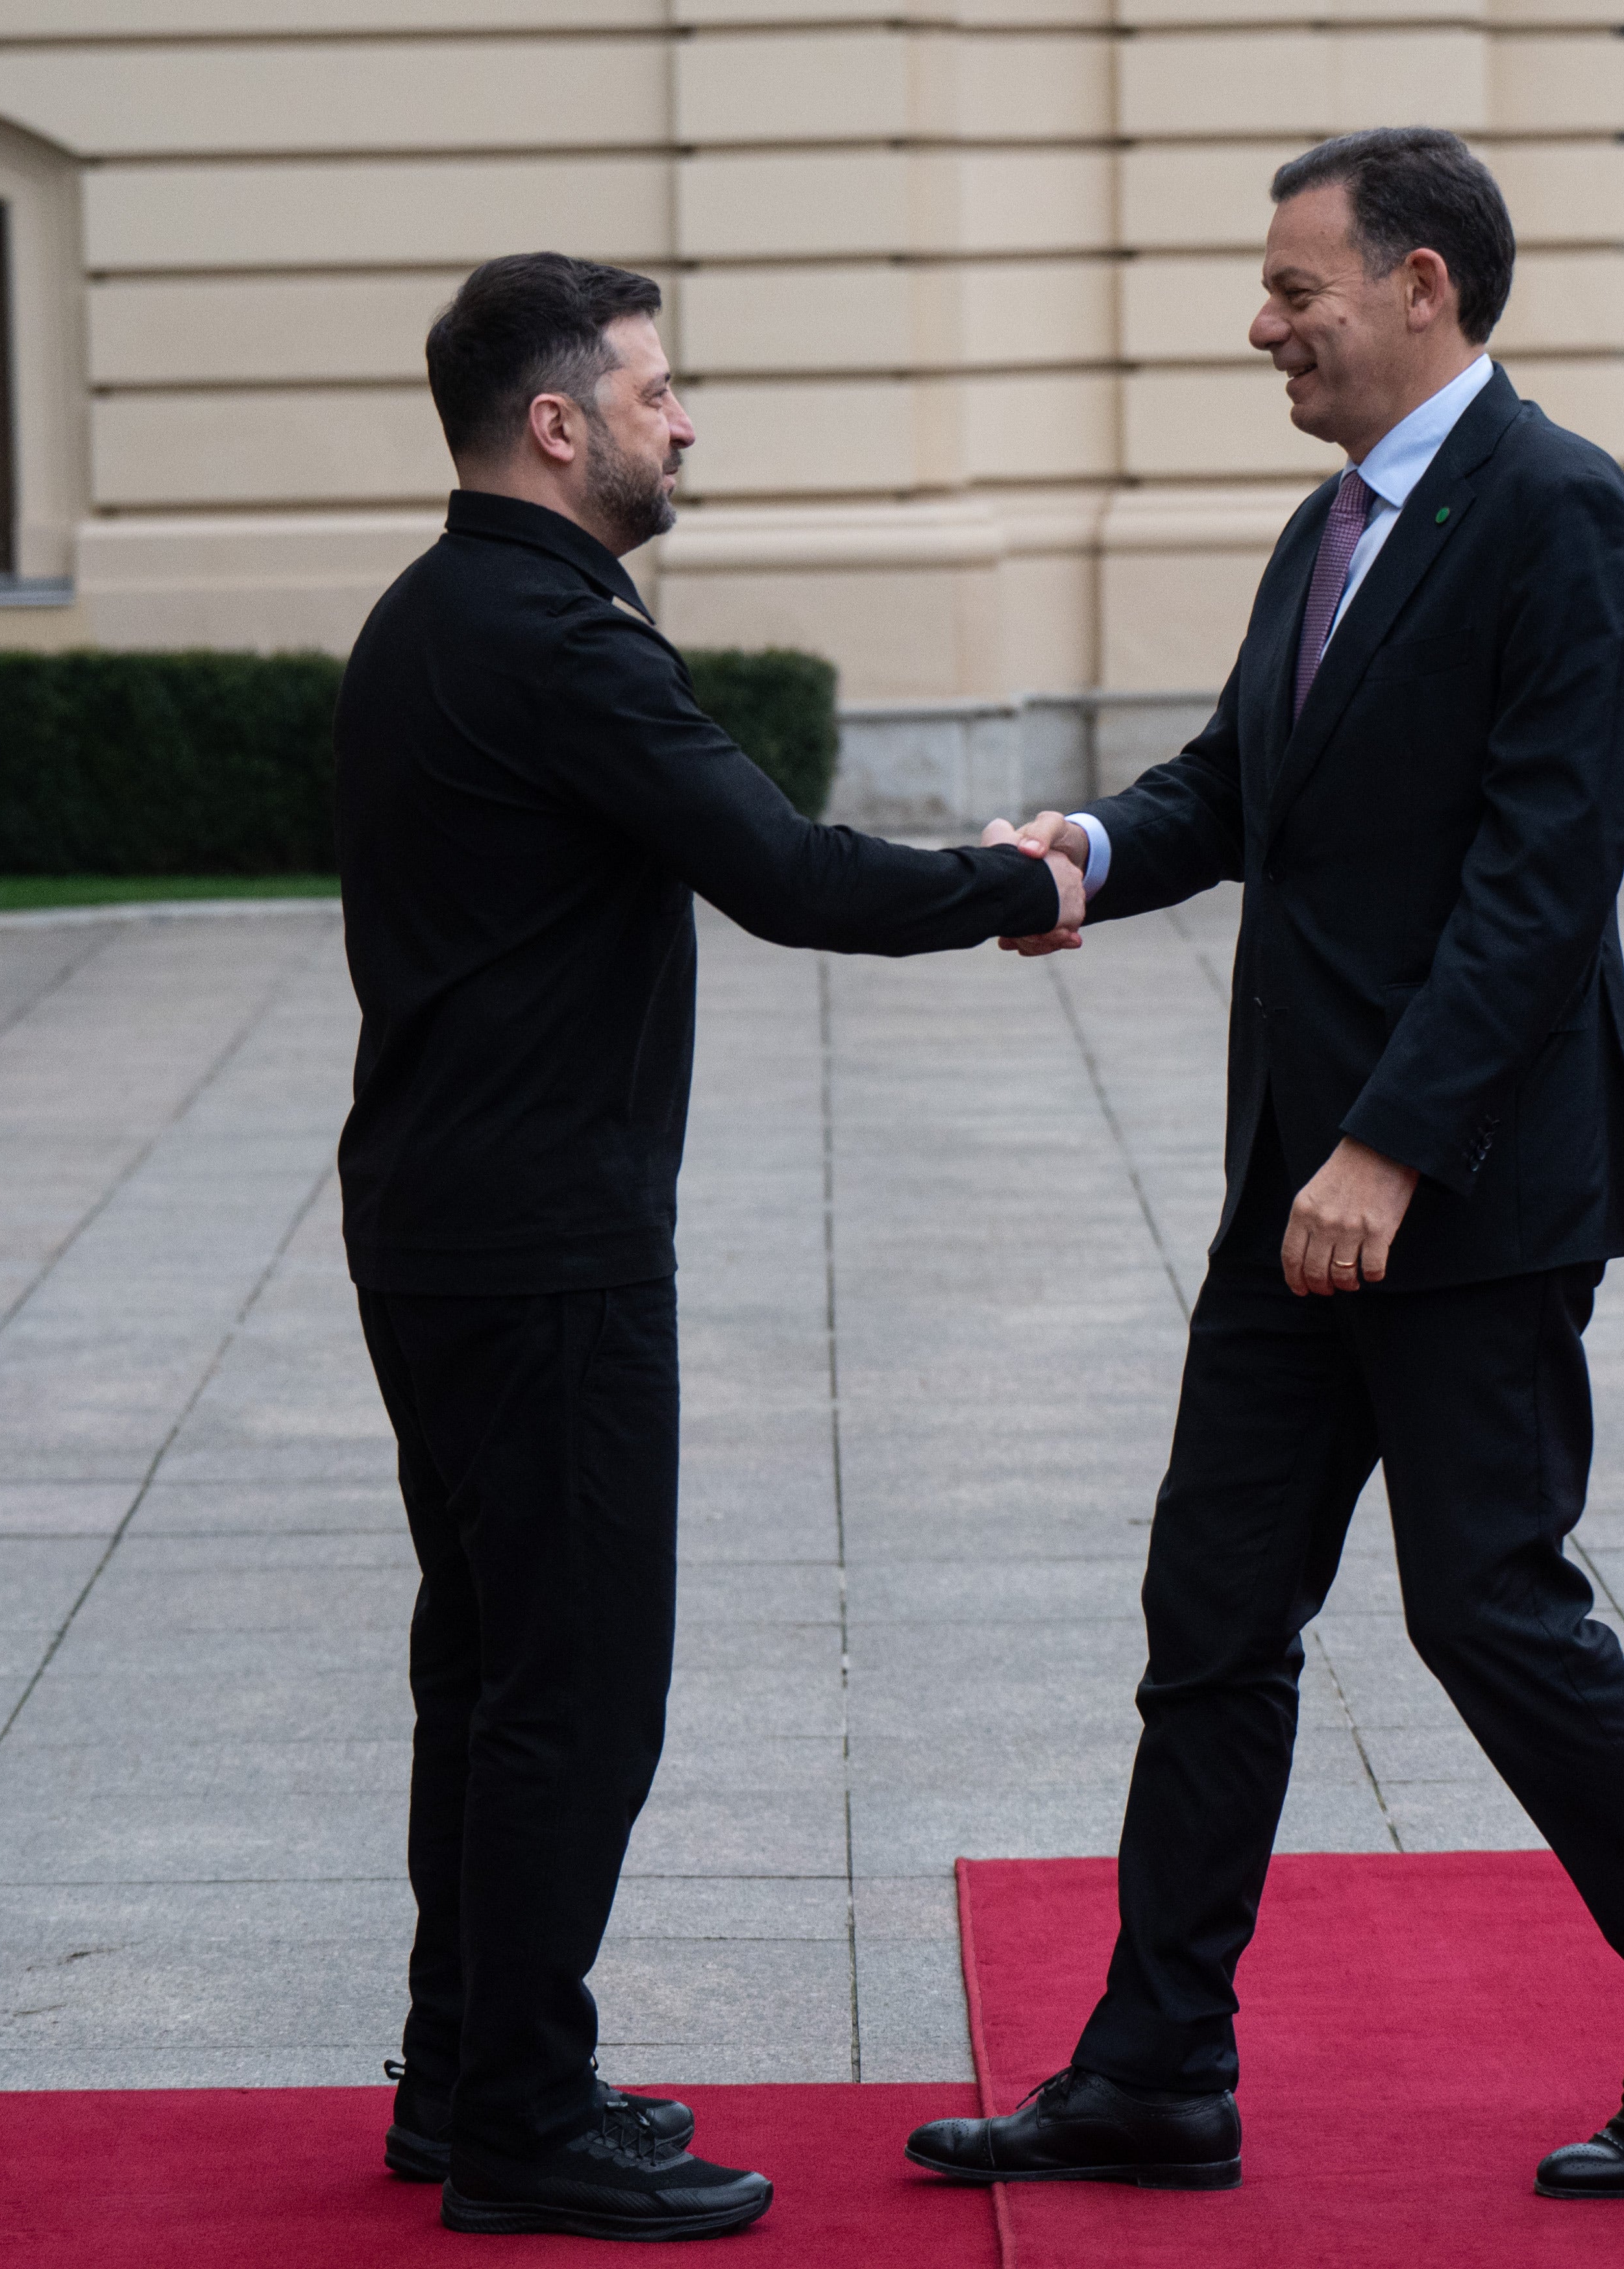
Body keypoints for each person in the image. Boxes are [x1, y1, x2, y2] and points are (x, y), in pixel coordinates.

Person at [902, 128, 1624, 2202]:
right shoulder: (1330, 526)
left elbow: (1538, 883)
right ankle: (1155, 2070)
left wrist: (1392, 1152)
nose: (1265, 322)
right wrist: (1082, 853)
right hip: (1289, 1192)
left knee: (1487, 1609)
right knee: (1210, 1615)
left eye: (1294, 287)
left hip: (1464, 1192)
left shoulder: (1563, 515)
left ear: (1422, 286)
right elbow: (1237, 789)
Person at [338, 251, 1087, 2243]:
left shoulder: (433, 611)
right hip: (542, 1245)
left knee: (489, 1672)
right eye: (657, 391)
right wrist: (1031, 877)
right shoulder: (561, 638)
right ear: (558, 424)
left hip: (436, 1222)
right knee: (577, 1687)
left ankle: (469, 2073)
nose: (686, 422)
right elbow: (788, 879)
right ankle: (516, 2120)